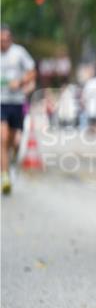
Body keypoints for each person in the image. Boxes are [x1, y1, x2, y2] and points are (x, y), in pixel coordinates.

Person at [1, 25, 36, 195]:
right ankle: (5, 176)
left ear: (11, 39)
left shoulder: (19, 53)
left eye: (6, 40)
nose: (4, 44)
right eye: (1, 41)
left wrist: (21, 82)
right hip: (1, 102)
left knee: (14, 140)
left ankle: (12, 160)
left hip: (17, 102)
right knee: (2, 138)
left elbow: (32, 72)